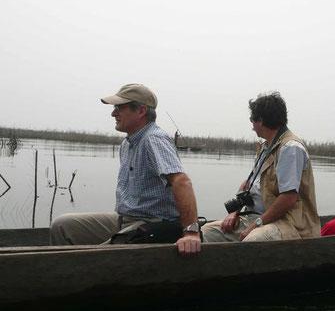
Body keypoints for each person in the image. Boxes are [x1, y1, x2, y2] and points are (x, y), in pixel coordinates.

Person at [50, 83, 201, 256]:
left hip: (151, 222)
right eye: (115, 108)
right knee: (61, 225)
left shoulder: (154, 139)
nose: (113, 113)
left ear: (141, 111)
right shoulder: (127, 143)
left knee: (93, 256)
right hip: (124, 219)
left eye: (120, 108)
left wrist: (191, 232)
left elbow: (182, 181)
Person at [201, 92, 320, 242]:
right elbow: (249, 184)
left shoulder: (290, 148)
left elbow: (289, 198)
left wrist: (256, 225)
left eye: (252, 120)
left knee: (253, 240)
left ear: (261, 120)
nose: (252, 127)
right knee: (207, 232)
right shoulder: (265, 147)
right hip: (256, 217)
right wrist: (234, 213)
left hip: (288, 222)